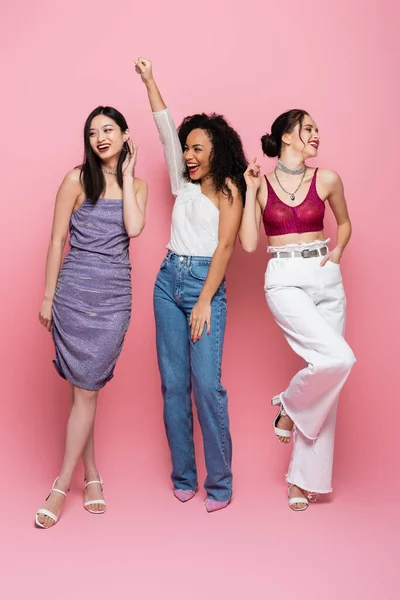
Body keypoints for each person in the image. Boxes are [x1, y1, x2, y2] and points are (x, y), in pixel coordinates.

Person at [135, 57, 247, 512]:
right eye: (186, 149)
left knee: (206, 385)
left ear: (216, 149)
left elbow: (224, 249)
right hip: (167, 281)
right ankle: (183, 475)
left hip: (205, 284)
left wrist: (204, 301)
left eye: (197, 149)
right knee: (173, 385)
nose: (188, 156)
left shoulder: (230, 190)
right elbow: (163, 129)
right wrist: (149, 80)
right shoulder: (182, 182)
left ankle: (219, 484)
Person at [35, 106, 148, 528]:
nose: (101, 137)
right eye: (93, 132)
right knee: (84, 391)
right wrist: (48, 297)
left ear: (124, 135)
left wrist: (128, 175)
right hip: (74, 293)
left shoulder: (139, 186)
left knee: (87, 389)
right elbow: (56, 239)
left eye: (109, 129)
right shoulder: (76, 180)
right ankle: (90, 476)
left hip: (114, 298)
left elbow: (134, 230)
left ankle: (61, 485)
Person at [239, 109, 356, 511]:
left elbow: (344, 223)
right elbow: (250, 243)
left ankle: (301, 482)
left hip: (325, 275)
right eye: (309, 129)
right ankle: (288, 405)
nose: (316, 135)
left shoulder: (327, 179)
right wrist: (250, 189)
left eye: (317, 130)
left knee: (330, 379)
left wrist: (338, 251)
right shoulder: (261, 182)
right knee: (337, 359)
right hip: (284, 276)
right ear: (286, 136)